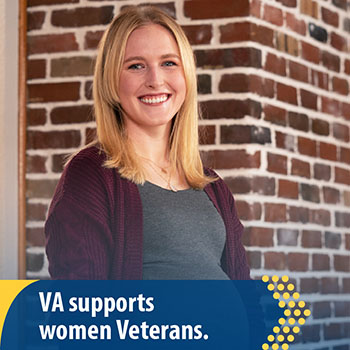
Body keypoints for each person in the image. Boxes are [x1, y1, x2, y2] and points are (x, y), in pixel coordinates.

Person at [45, 5, 250, 280]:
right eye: (136, 66)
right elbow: (82, 306)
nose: (155, 80)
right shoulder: (89, 175)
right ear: (111, 81)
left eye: (169, 63)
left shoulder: (213, 186)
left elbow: (244, 293)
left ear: (186, 74)